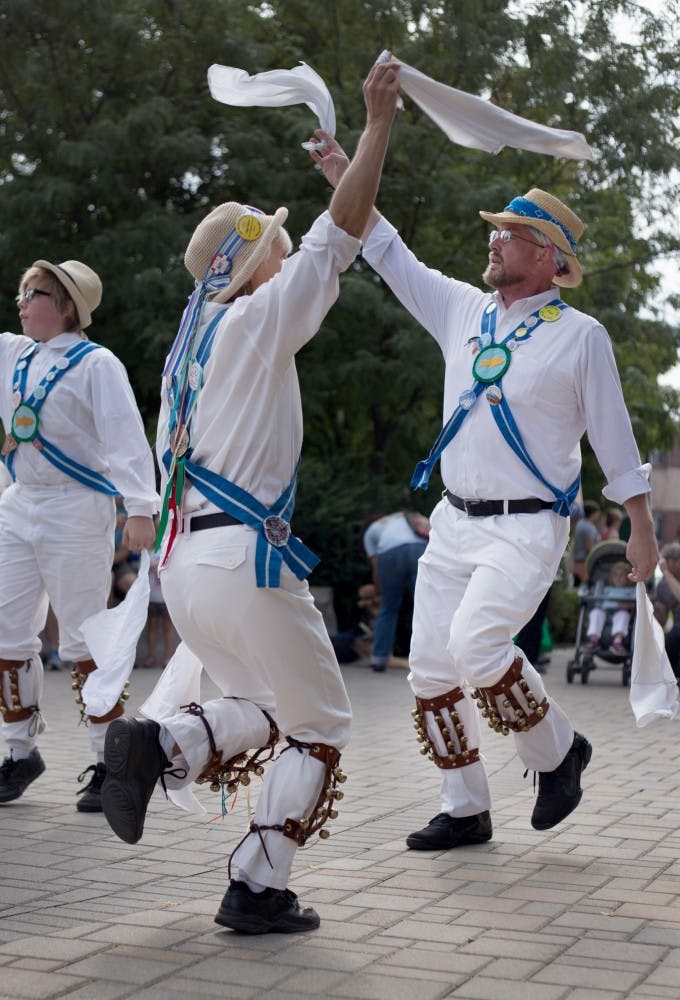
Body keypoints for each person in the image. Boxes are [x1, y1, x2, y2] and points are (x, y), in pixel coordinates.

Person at [99, 58, 401, 934]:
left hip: (186, 568)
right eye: (275, 246)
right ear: (256, 266)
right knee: (322, 722)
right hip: (245, 557)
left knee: (266, 708)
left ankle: (159, 741)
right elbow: (339, 235)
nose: (285, 253)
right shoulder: (256, 319)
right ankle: (258, 884)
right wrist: (376, 130)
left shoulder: (183, 354)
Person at [312, 120, 659, 852]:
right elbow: (385, 247)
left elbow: (613, 437)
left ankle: (559, 753)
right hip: (454, 522)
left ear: (547, 255)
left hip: (528, 526)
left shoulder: (581, 335)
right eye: (495, 232)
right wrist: (349, 169)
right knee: (431, 672)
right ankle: (465, 807)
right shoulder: (462, 311)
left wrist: (641, 524)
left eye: (510, 234)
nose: (494, 242)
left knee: (477, 645)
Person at [0, 259, 158, 812]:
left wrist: (139, 506)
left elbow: (125, 434)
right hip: (18, 505)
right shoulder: (12, 353)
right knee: (5, 633)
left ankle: (109, 765)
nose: (21, 302)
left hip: (77, 507)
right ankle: (18, 753)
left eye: (34, 294)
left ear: (67, 306)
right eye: (21, 293)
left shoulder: (97, 363)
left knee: (84, 640)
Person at [362, 511, 429, 671]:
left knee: (388, 608)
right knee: (425, 607)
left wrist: (378, 590)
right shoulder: (405, 516)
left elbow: (376, 566)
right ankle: (431, 659)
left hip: (388, 554)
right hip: (419, 549)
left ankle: (378, 659)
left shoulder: (371, 530)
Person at [585, 560, 635, 653]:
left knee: (623, 615)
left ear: (628, 577)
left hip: (620, 612)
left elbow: (633, 604)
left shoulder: (631, 591)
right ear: (611, 577)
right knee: (595, 613)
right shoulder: (606, 589)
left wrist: (627, 605)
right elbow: (599, 602)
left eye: (621, 575)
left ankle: (617, 642)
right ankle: (594, 640)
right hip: (605, 612)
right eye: (615, 575)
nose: (618, 578)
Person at [142, 549, 177, 667]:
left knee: (168, 627)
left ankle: (169, 656)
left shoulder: (170, 549)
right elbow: (142, 568)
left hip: (166, 598)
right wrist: (151, 566)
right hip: (152, 597)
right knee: (152, 627)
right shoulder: (149, 551)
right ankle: (150, 655)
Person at [653, 542, 680, 680]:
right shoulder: (663, 584)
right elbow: (662, 620)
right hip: (676, 630)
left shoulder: (667, 577)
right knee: (666, 641)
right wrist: (654, 609)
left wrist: (667, 573)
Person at [571, 500, 601, 583]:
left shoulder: (579, 524)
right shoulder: (589, 527)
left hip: (577, 560)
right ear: (593, 513)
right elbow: (589, 547)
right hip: (585, 562)